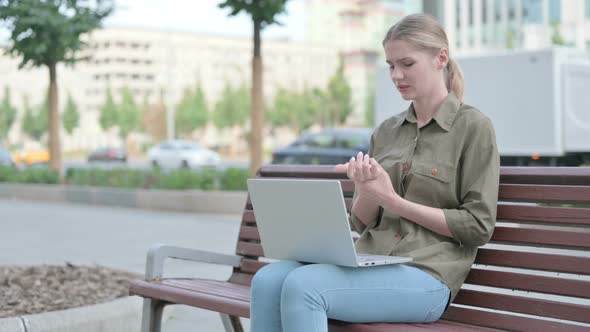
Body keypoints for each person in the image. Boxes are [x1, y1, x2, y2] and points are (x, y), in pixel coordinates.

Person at [249, 13, 499, 332]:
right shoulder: (387, 131)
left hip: (428, 276)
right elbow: (362, 221)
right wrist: (366, 189)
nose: (396, 75)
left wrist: (394, 202)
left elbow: (478, 226)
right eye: (391, 65)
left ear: (441, 58)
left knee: (304, 286)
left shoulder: (473, 128)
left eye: (407, 64)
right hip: (372, 260)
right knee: (268, 279)